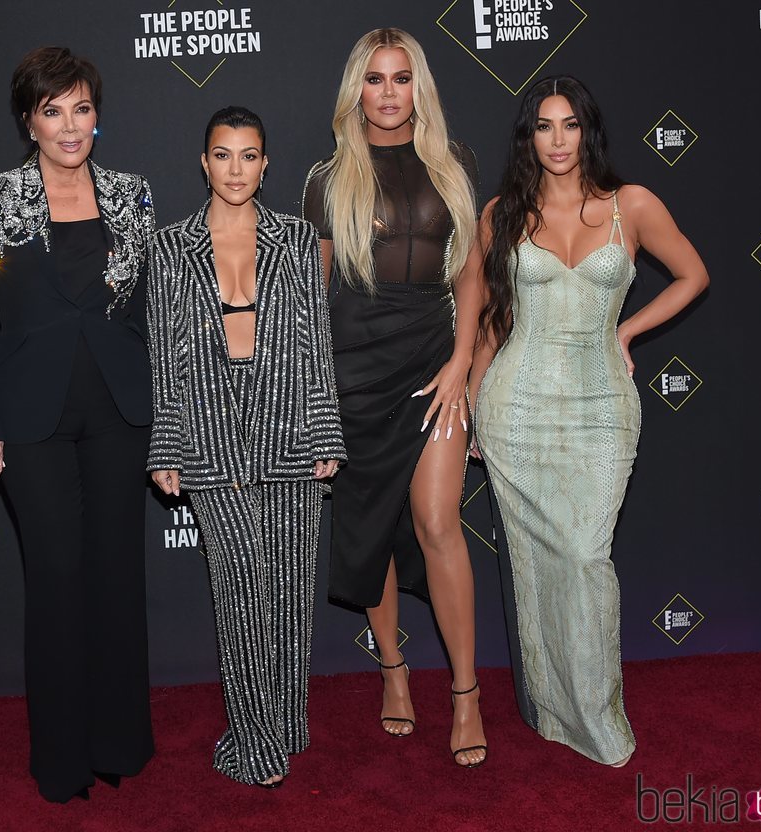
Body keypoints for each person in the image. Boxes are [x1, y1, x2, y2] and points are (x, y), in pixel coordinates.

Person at [471, 75, 710, 767]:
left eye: (569, 125)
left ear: (588, 131)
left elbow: (693, 274)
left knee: (584, 557)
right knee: (536, 561)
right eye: (543, 126)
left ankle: (598, 717)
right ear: (528, 138)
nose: (557, 140)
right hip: (516, 406)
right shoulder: (502, 214)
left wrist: (628, 331)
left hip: (603, 404)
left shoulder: (630, 204)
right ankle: (552, 711)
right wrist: (475, 402)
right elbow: (492, 320)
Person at [0, 47, 156, 802]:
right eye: (52, 110)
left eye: (81, 108)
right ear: (28, 120)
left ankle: (120, 744)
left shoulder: (133, 194)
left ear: (97, 116)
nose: (69, 126)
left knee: (116, 578)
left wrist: (161, 425)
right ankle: (63, 761)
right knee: (59, 579)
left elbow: (142, 320)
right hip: (29, 420)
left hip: (119, 413)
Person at [303, 28, 489, 767]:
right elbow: (316, 297)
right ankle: (394, 672)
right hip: (352, 373)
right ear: (357, 90)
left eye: (401, 78)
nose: (388, 93)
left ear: (420, 88)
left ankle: (467, 693)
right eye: (375, 79)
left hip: (429, 363)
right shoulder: (326, 179)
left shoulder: (454, 166)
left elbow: (471, 274)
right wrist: (314, 395)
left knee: (439, 519)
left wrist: (462, 361)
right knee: (369, 524)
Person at [147, 106, 345, 788]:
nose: (236, 168)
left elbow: (316, 344)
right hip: (209, 428)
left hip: (289, 423)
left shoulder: (296, 239)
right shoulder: (169, 248)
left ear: (267, 164)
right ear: (204, 163)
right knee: (240, 590)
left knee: (289, 590)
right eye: (223, 155)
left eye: (249, 155)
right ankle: (255, 741)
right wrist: (167, 442)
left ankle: (286, 725)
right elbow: (164, 357)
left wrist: (325, 428)